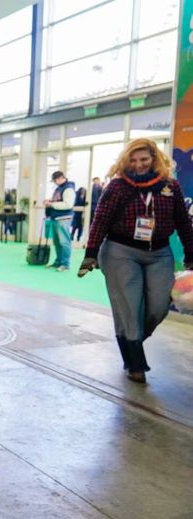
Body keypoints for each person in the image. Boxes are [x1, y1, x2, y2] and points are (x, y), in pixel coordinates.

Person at [78, 138, 193, 383]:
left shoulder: (170, 186)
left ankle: (131, 340)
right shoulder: (118, 186)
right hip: (121, 251)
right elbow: (101, 221)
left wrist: (190, 253)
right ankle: (135, 364)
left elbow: (183, 222)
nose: (139, 165)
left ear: (155, 159)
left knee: (159, 306)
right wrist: (91, 253)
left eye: (144, 159)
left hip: (159, 253)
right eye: (133, 160)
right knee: (130, 308)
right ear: (125, 161)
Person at [44, 171, 76, 271]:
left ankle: (65, 264)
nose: (55, 182)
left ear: (60, 178)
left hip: (63, 219)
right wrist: (50, 201)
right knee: (57, 243)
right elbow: (59, 201)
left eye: (55, 180)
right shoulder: (59, 188)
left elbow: (68, 204)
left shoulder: (68, 189)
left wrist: (52, 204)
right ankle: (58, 262)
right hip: (56, 218)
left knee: (64, 242)